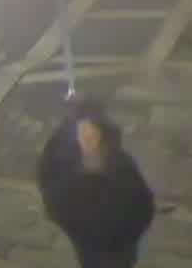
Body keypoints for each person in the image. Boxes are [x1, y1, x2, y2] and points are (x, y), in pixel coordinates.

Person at [37, 98, 157, 268]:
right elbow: (49, 182)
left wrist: (124, 238)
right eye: (82, 135)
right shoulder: (64, 159)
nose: (87, 141)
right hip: (91, 248)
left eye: (92, 136)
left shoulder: (122, 166)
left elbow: (143, 206)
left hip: (118, 250)